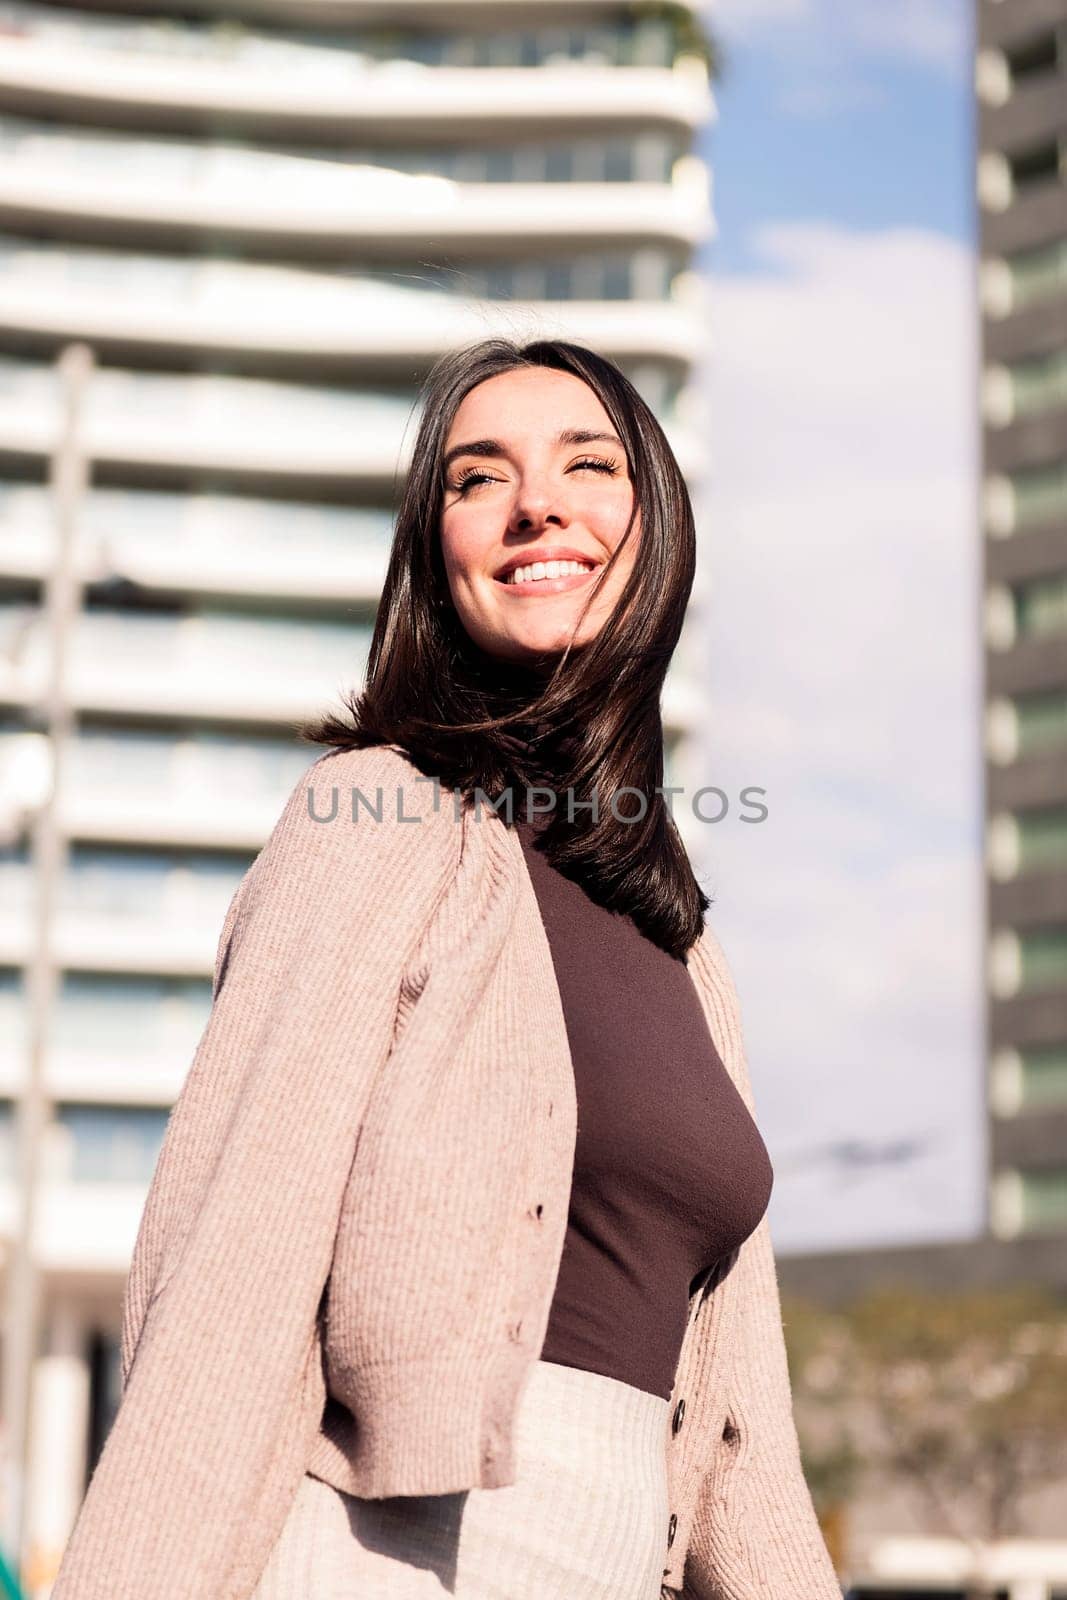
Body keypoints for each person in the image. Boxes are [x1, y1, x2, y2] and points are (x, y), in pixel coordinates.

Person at [50, 339, 841, 1600]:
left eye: (587, 464)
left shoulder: (686, 946)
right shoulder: (374, 822)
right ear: (439, 556)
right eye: (479, 479)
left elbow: (747, 1454)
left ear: (656, 528)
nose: (535, 502)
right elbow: (229, 1275)